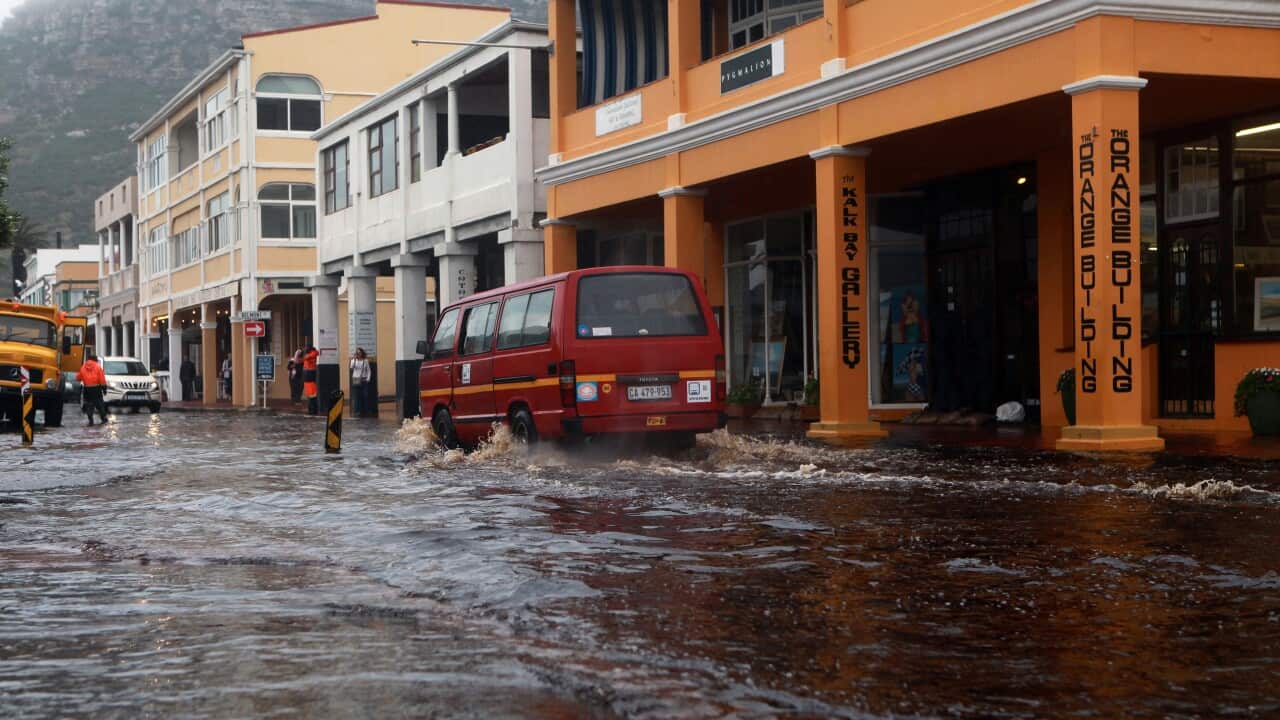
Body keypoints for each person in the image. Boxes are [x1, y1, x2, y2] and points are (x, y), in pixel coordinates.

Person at [77, 352, 109, 425]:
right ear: (95, 360)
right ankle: (103, 419)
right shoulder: (98, 367)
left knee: (89, 405)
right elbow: (102, 379)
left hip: (87, 389)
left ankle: (90, 420)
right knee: (99, 404)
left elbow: (78, 378)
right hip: (96, 388)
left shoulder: (83, 367)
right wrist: (104, 388)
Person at [349, 347, 371, 417]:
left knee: (365, 395)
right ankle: (357, 411)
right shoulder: (353, 361)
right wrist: (355, 359)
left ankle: (366, 411)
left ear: (362, 353)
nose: (358, 354)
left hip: (364, 380)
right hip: (356, 379)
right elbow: (352, 367)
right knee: (357, 396)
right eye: (357, 353)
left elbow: (369, 370)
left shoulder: (365, 361)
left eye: (359, 352)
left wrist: (368, 379)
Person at [303, 346, 320, 415]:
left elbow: (306, 358)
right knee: (312, 394)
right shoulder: (313, 354)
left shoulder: (310, 355)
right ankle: (312, 410)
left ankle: (312, 410)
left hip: (308, 375)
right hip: (310, 375)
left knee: (311, 395)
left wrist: (306, 355)